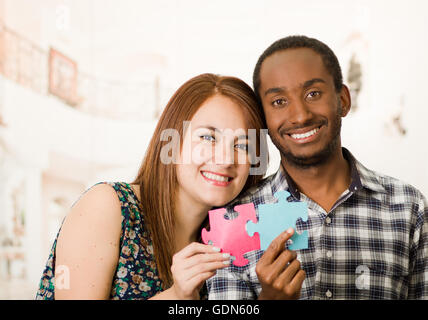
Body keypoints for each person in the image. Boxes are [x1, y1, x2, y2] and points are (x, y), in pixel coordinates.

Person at [207, 35, 428, 300]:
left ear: (343, 100)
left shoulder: (410, 207)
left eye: (313, 94)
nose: (300, 115)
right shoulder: (233, 219)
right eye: (279, 101)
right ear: (262, 118)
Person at [35, 73, 268, 300]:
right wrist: (176, 295)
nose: (226, 159)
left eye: (243, 145)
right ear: (171, 142)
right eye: (208, 138)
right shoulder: (107, 206)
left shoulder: (232, 241)